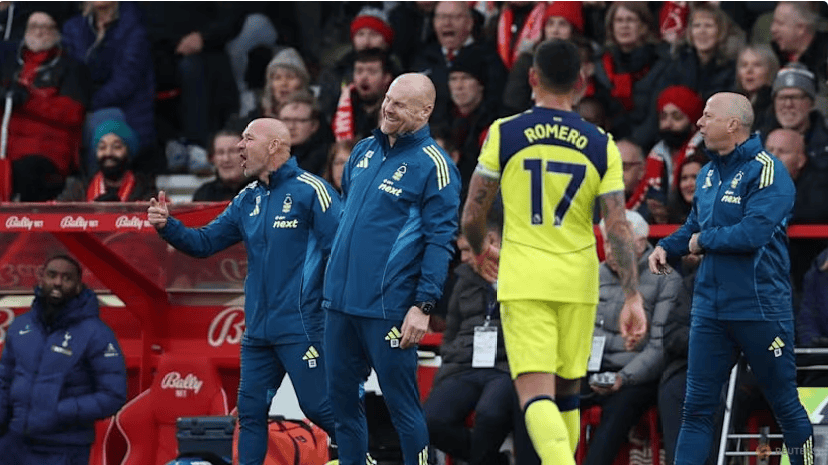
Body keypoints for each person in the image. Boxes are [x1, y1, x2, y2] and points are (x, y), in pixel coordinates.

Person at [461, 39, 647, 465]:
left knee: (534, 394)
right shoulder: (601, 143)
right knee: (566, 394)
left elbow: (473, 211)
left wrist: (479, 247)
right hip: (578, 280)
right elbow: (617, 226)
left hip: (526, 277)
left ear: (532, 77)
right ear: (580, 83)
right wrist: (632, 294)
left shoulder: (505, 132)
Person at [147, 118, 342, 465]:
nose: (239, 146)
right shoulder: (247, 197)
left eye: (248, 139)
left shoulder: (312, 190)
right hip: (258, 332)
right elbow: (205, 242)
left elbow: (343, 254)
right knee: (250, 414)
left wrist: (337, 313)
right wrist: (168, 226)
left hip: (302, 326)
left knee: (319, 407)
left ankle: (367, 455)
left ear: (273, 146)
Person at [649, 92, 814, 465]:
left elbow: (752, 234)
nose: (699, 123)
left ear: (733, 124)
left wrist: (700, 241)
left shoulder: (769, 171)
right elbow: (694, 225)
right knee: (696, 409)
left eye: (707, 116)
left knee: (786, 405)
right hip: (710, 309)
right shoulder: (708, 173)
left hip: (759, 308)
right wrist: (667, 246)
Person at [322, 73, 461, 465]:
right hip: (340, 304)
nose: (388, 108)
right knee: (342, 407)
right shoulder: (363, 150)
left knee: (402, 407)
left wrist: (424, 305)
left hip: (389, 308)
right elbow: (347, 222)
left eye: (400, 104)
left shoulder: (435, 165)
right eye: (388, 99)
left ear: (425, 111)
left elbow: (440, 242)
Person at [424, 211, 539, 465]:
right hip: (464, 367)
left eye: (467, 250)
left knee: (490, 415)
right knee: (430, 419)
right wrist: (446, 373)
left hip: (505, 368)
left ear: (492, 241)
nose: (463, 258)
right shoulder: (464, 280)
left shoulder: (524, 274)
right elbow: (451, 333)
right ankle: (495, 462)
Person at [0, 254, 127, 465]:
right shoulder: (21, 326)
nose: (58, 282)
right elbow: (4, 380)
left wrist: (58, 411)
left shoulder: (96, 333)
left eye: (67, 278)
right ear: (42, 278)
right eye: (52, 275)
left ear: (78, 286)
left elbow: (113, 395)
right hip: (13, 445)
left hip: (63, 449)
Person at [581, 210, 680, 465]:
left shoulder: (666, 279)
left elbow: (659, 348)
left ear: (639, 243)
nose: (610, 251)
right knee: (550, 397)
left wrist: (622, 378)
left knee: (617, 412)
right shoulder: (596, 273)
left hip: (637, 375)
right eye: (607, 243)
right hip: (592, 368)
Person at [0, 10, 89, 201]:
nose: (39, 32)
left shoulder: (71, 67)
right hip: (7, 147)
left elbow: (72, 113)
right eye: (33, 26)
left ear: (57, 32)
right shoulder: (10, 64)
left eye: (45, 27)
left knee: (28, 171)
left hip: (46, 151)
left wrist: (29, 100)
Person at [62, 1, 156, 175]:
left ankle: (96, 188)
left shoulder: (135, 27)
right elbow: (68, 71)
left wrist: (86, 104)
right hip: (82, 104)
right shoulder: (74, 27)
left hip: (126, 111)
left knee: (98, 125)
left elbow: (125, 83)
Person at [411, 1, 506, 129]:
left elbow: (495, 102)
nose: (447, 23)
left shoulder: (488, 57)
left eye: (455, 17)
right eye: (441, 17)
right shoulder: (422, 57)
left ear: (469, 23)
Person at [57, 119, 156, 202]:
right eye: (102, 147)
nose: (108, 153)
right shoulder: (79, 188)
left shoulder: (145, 188)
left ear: (128, 151)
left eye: (117, 147)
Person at [331, 48, 394, 142]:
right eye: (359, 71)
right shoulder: (340, 106)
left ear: (386, 78)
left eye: (372, 72)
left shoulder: (397, 108)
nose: (364, 77)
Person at [278, 90, 333, 176]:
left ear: (314, 125)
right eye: (286, 120)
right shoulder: (268, 153)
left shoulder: (328, 157)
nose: (291, 126)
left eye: (299, 120)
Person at [192, 129, 253, 201]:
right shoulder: (203, 195)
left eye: (233, 151)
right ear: (212, 158)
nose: (226, 159)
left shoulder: (263, 191)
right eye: (220, 152)